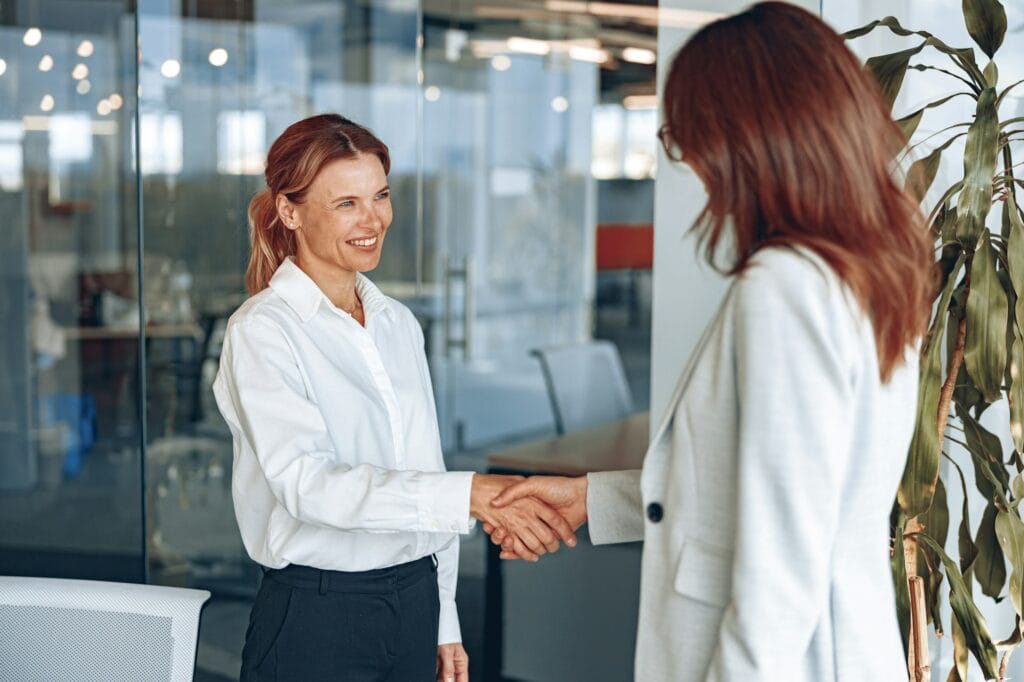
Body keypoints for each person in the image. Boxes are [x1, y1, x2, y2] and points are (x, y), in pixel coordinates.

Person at [486, 3, 934, 680]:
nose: (691, 162)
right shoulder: (874, 268)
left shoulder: (786, 288)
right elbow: (750, 490)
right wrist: (588, 501)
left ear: (745, 136)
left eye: (689, 135)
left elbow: (779, 574)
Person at [213, 113, 577, 682]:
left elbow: (421, 468)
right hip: (318, 616)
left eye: (380, 195)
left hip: (415, 601)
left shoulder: (396, 323)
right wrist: (471, 496)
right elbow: (308, 485)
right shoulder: (263, 331)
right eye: (346, 203)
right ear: (290, 210)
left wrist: (444, 620)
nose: (373, 219)